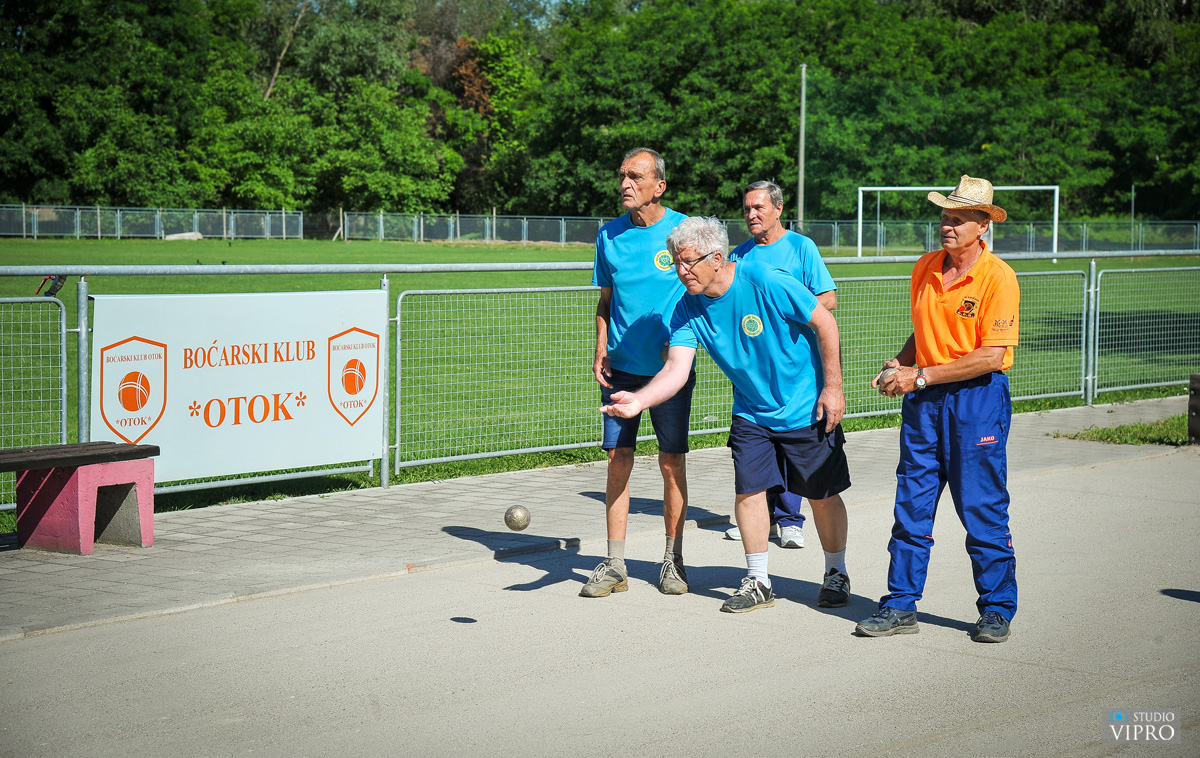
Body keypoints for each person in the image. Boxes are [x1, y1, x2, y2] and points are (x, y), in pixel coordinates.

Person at [601, 216, 851, 613]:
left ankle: (835, 571)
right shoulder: (687, 308)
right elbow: (676, 369)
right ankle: (758, 580)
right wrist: (639, 400)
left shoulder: (765, 278)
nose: (681, 272)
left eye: (688, 262)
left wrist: (832, 388)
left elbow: (825, 322)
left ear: (716, 258)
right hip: (752, 411)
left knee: (820, 494)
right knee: (749, 493)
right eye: (674, 262)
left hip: (805, 405)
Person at [855, 174, 1019, 643]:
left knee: (982, 509)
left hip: (977, 400)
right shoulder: (925, 266)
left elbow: (990, 355)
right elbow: (923, 333)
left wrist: (920, 375)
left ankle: (996, 609)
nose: (947, 227)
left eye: (959, 219)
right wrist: (903, 363)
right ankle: (900, 605)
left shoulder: (998, 278)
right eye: (945, 217)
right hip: (925, 404)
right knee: (912, 505)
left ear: (983, 225)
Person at [582, 147, 694, 599]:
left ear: (659, 186)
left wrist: (686, 338)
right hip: (621, 370)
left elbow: (704, 290)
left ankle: (673, 559)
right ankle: (614, 563)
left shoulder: (683, 230)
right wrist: (600, 348)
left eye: (635, 176)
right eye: (622, 176)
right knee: (617, 461)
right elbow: (605, 302)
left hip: (669, 372)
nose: (625, 184)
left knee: (671, 464)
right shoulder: (608, 236)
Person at [724, 180, 840, 559]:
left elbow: (828, 300)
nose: (752, 215)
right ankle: (764, 540)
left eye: (759, 207)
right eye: (746, 209)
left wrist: (783, 308)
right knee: (758, 462)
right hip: (756, 379)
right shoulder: (739, 256)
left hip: (800, 377)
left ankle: (793, 521)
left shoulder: (800, 247)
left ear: (778, 208)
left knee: (806, 463)